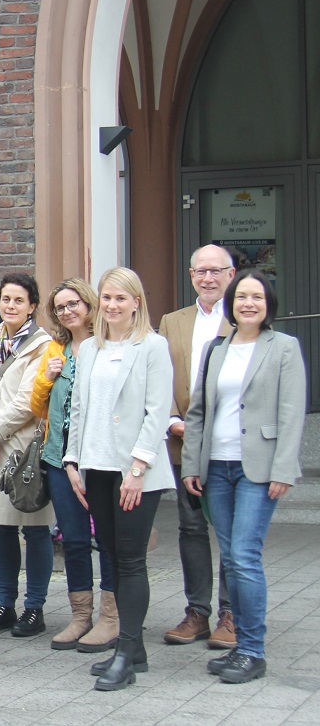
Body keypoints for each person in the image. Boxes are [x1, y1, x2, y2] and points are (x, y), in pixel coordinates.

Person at [182, 268, 305, 684]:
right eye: (241, 298)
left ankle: (252, 650)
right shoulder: (218, 348)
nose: (248, 303)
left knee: (245, 558)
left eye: (257, 297)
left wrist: (284, 468)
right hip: (217, 467)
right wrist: (192, 466)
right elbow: (198, 411)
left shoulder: (284, 347)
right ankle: (241, 647)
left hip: (258, 467)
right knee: (231, 557)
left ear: (268, 304)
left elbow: (291, 412)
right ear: (231, 305)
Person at [62, 266, 174, 691]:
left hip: (135, 474)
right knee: (110, 555)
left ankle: (126, 652)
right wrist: (73, 461)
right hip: (98, 467)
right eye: (106, 298)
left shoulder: (152, 347)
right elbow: (78, 409)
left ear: (136, 302)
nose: (112, 306)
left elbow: (157, 410)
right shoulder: (89, 348)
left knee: (129, 561)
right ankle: (135, 649)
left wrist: (138, 468)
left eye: (120, 299)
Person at [30, 279, 117, 652]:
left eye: (73, 304)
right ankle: (81, 616)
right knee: (75, 541)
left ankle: (111, 618)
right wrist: (47, 378)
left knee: (109, 540)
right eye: (61, 307)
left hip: (99, 460)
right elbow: (37, 408)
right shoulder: (56, 349)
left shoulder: (111, 346)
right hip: (57, 459)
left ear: (89, 304)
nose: (68, 312)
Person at [159, 244, 236, 649]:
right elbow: (161, 375)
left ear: (231, 274)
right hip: (182, 441)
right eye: (201, 272)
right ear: (191, 276)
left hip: (227, 444)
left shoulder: (244, 317)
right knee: (191, 528)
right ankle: (198, 613)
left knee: (230, 530)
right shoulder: (172, 321)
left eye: (216, 271)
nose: (208, 279)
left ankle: (231, 613)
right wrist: (172, 421)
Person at [0, 273, 53, 637]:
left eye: (19, 300)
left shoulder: (43, 345)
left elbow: (26, 402)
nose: (11, 306)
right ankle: (4, 602)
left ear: (32, 305)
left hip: (23, 448)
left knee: (34, 529)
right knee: (1, 529)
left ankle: (34, 608)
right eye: (5, 300)